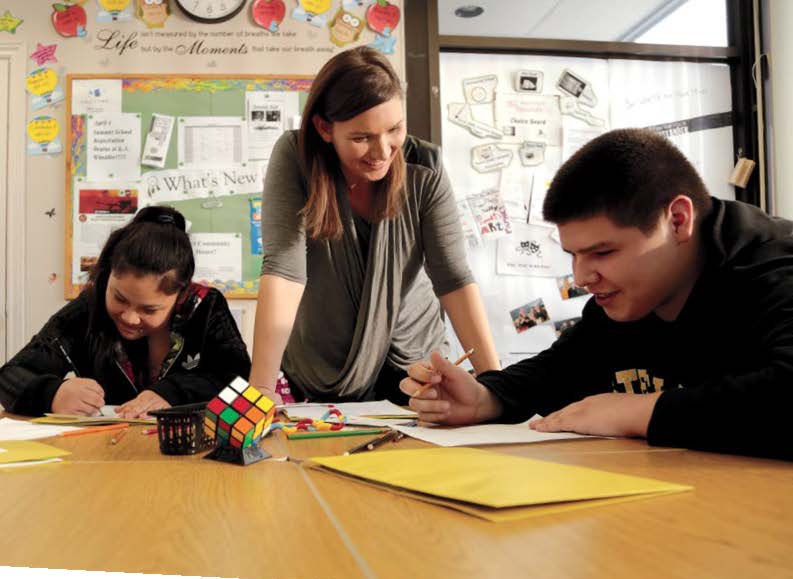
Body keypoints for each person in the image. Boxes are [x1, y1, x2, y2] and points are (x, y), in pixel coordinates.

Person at [402, 128, 793, 461]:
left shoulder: (773, 268)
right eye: (573, 255)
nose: (583, 276)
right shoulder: (630, 300)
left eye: (603, 252)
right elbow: (561, 368)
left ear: (677, 221)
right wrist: (484, 397)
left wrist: (636, 412)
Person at [250, 46, 499, 405]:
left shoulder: (424, 168)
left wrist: (496, 387)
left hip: (417, 367)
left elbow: (454, 279)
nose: (382, 151)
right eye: (361, 137)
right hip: (324, 368)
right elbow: (284, 271)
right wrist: (261, 390)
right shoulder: (296, 159)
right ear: (324, 128)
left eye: (395, 129)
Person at [0, 206, 251, 419]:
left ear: (180, 295)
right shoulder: (88, 309)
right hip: (108, 454)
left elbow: (240, 381)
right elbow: (10, 376)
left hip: (189, 455)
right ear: (108, 276)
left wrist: (172, 393)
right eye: (119, 298)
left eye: (149, 309)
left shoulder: (205, 307)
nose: (129, 318)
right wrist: (53, 394)